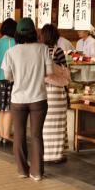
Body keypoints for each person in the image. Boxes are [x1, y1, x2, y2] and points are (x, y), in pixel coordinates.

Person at [2, 18, 52, 181]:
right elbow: (49, 72)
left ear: (17, 34)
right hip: (38, 98)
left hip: (18, 99)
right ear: (34, 33)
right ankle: (37, 173)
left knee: (19, 135)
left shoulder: (11, 52)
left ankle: (23, 170)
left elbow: (7, 76)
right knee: (36, 135)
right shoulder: (43, 49)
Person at [40, 24, 69, 163]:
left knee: (45, 125)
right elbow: (65, 71)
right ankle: (57, 155)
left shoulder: (39, 51)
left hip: (42, 92)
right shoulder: (58, 51)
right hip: (57, 93)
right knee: (57, 124)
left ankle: (45, 154)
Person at [0, 18, 17, 143]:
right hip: (9, 79)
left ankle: (2, 134)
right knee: (8, 109)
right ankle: (7, 136)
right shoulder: (13, 41)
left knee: (1, 109)